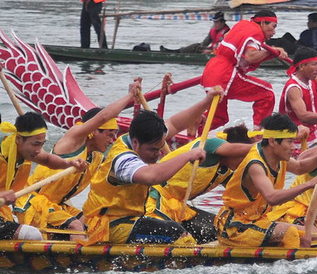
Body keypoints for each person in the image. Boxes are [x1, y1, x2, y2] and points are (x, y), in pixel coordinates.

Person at [81, 89, 222, 245]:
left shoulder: (144, 137)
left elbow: (175, 123)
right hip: (109, 227)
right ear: (135, 143)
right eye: (153, 150)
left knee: (214, 229)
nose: (158, 154)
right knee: (175, 233)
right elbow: (150, 177)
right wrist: (188, 155)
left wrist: (206, 102)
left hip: (132, 219)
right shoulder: (122, 160)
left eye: (160, 148)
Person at [15, 80, 140, 240]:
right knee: (76, 225)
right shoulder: (73, 140)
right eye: (109, 134)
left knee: (92, 222)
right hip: (31, 202)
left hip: (57, 205)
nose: (112, 140)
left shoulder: (96, 158)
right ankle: (80, 261)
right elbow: (103, 116)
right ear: (94, 131)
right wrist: (130, 95)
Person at [214, 113, 317, 248]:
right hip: (235, 228)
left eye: (294, 141)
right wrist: (309, 184)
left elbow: (300, 167)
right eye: (290, 142)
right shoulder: (255, 165)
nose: (293, 147)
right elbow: (272, 197)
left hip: (257, 221)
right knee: (294, 233)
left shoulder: (277, 157)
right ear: (272, 141)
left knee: (313, 234)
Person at [145, 123, 256, 244]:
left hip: (180, 209)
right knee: (183, 241)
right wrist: (264, 147)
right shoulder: (209, 145)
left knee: (222, 232)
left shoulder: (226, 170)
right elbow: (233, 149)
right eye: (243, 157)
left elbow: (244, 194)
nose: (244, 162)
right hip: (153, 202)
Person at [0, 112, 87, 241]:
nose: (38, 150)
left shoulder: (24, 151)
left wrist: (69, 163)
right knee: (32, 235)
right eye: (35, 144)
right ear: (18, 139)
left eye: (42, 144)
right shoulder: (3, 154)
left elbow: (47, 159)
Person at [201, 9, 287, 129]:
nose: (274, 32)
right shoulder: (257, 32)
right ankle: (258, 134)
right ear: (262, 23)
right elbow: (250, 57)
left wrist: (270, 52)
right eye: (273, 26)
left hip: (211, 71)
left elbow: (230, 40)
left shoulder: (242, 25)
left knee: (219, 118)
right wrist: (272, 52)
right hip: (225, 74)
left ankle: (195, 127)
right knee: (267, 93)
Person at [161, 11, 230, 53]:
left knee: (196, 47)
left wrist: (210, 51)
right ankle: (176, 51)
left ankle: (176, 52)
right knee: (196, 46)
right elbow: (205, 43)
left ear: (222, 22)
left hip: (217, 52)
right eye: (214, 22)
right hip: (211, 50)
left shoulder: (227, 33)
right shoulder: (213, 31)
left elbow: (224, 50)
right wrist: (201, 48)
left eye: (217, 22)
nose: (215, 24)